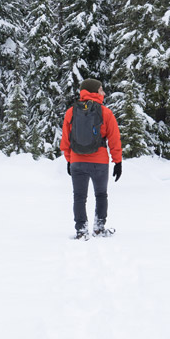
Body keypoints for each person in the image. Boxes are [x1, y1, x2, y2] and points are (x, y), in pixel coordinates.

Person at [60, 77, 122, 239]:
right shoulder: (106, 112)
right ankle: (99, 229)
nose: (104, 92)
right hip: (99, 162)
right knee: (101, 195)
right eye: (101, 89)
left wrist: (69, 159)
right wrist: (117, 161)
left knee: (79, 197)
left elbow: (65, 140)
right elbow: (114, 139)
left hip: (77, 161)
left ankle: (81, 231)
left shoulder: (71, 112)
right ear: (95, 91)